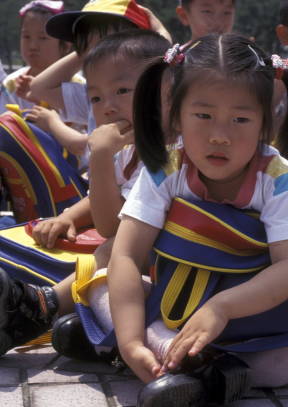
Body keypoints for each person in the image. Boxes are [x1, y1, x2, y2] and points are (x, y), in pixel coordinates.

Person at [88, 34, 288, 406]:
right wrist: (131, 342)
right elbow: (128, 255)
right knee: (102, 282)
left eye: (241, 119)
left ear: (265, 124)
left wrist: (220, 308)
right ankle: (177, 359)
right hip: (170, 303)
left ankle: (171, 359)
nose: (220, 135)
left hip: (248, 316)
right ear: (176, 116)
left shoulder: (279, 179)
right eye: (203, 115)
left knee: (283, 366)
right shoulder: (167, 168)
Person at [0, 30, 171, 358]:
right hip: (139, 266)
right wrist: (67, 216)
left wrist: (101, 156)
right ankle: (92, 330)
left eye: (121, 91)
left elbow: (112, 227)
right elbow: (101, 199)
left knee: (113, 249)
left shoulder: (165, 153)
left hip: (174, 268)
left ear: (165, 92)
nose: (107, 107)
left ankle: (42, 307)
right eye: (95, 97)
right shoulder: (127, 146)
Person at [28, 0, 170, 137]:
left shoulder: (153, 90)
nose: (108, 107)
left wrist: (160, 38)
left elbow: (165, 67)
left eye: (122, 91)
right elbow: (39, 87)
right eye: (86, 46)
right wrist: (85, 51)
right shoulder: (95, 98)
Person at [0, 1, 73, 112]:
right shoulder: (11, 84)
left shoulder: (78, 86)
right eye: (26, 36)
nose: (33, 46)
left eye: (43, 38)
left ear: (66, 44)